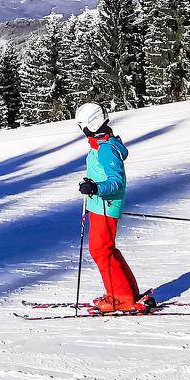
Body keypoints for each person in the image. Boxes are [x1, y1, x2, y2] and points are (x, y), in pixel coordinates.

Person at [75, 104, 151, 314]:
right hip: (100, 205)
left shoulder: (106, 148)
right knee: (106, 249)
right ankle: (127, 292)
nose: (82, 130)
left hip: (106, 205)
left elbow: (116, 181)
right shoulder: (102, 144)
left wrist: (96, 188)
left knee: (101, 250)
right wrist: (92, 184)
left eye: (82, 126)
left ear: (91, 124)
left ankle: (121, 298)